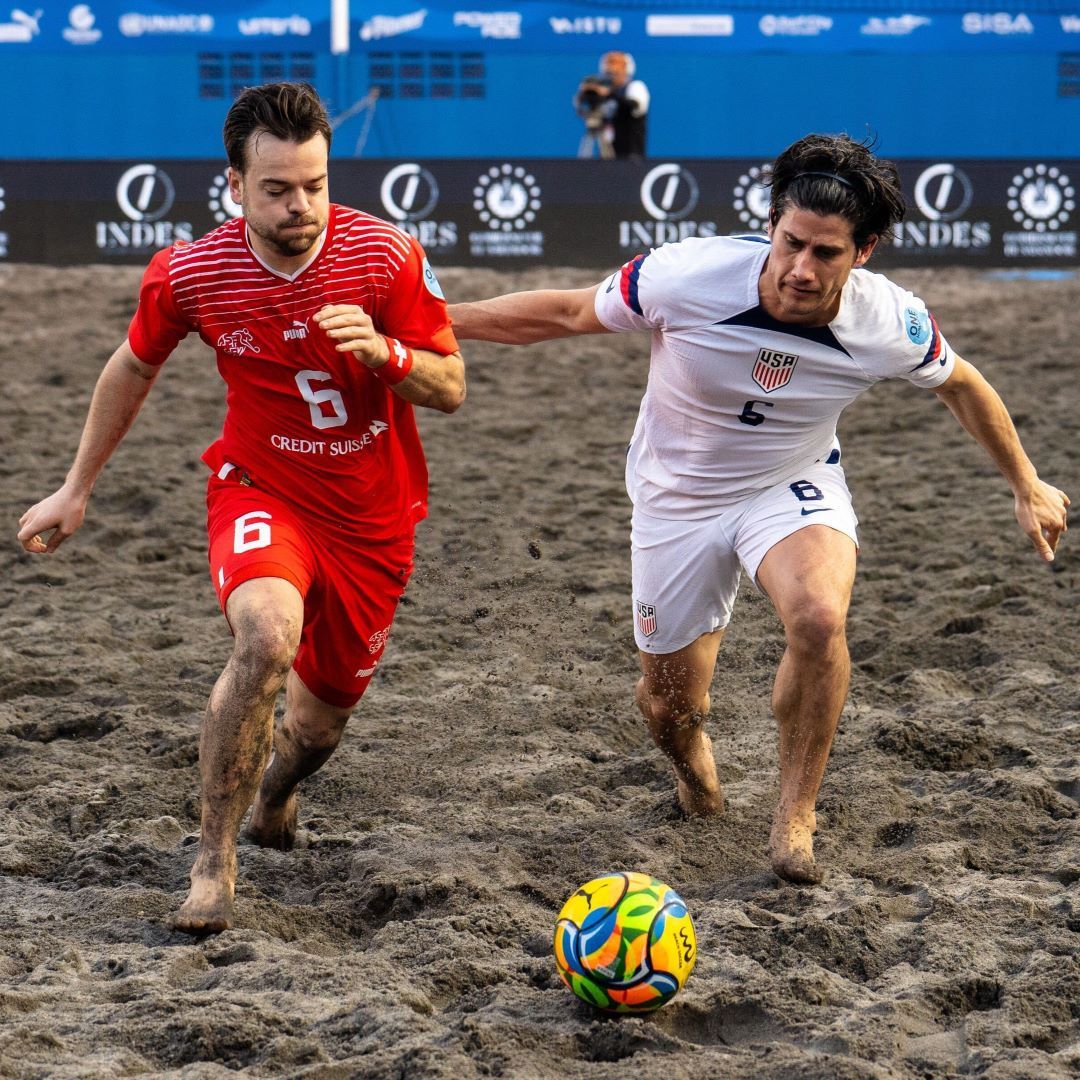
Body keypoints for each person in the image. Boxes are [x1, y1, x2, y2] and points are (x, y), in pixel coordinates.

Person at [447, 133, 1068, 886]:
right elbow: (568, 312)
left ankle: (793, 817)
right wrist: (434, 319)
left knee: (818, 617)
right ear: (771, 224)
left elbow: (961, 384)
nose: (802, 269)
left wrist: (1026, 482)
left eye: (827, 254)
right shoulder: (690, 275)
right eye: (792, 243)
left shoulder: (887, 320)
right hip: (676, 500)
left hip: (790, 483)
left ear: (864, 252)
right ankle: (697, 780)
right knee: (668, 707)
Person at [17, 82, 465, 933]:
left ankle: (274, 800)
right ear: (233, 184)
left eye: (315, 185)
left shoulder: (389, 257)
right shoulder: (192, 271)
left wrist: (387, 352)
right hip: (261, 491)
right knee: (265, 637)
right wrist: (76, 488)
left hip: (372, 521)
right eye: (277, 190)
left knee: (318, 728)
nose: (301, 206)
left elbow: (451, 386)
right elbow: (132, 366)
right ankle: (212, 865)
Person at [575, 51, 649, 160]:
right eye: (608, 72)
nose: (612, 76)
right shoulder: (605, 94)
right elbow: (586, 111)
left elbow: (635, 107)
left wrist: (609, 93)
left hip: (631, 158)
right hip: (607, 155)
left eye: (616, 72)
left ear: (627, 71)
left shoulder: (635, 87)